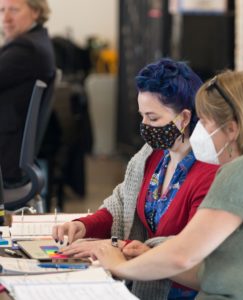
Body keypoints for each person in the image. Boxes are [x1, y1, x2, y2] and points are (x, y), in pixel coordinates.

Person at [89, 70, 243, 300]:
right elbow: (213, 270)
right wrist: (147, 254)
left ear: (231, 129)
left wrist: (119, 267)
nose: (200, 133)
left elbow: (183, 255)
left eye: (206, 123)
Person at [52, 58, 219, 299]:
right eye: (142, 116)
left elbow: (191, 252)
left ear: (184, 118)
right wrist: (84, 225)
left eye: (153, 118)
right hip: (141, 277)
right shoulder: (152, 155)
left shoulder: (208, 173)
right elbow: (121, 204)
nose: (144, 126)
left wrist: (117, 247)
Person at [0, 0, 55, 184]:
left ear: (36, 12)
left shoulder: (26, 49)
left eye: (14, 10)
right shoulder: (36, 41)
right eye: (2, 10)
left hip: (6, 159)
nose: (5, 18)